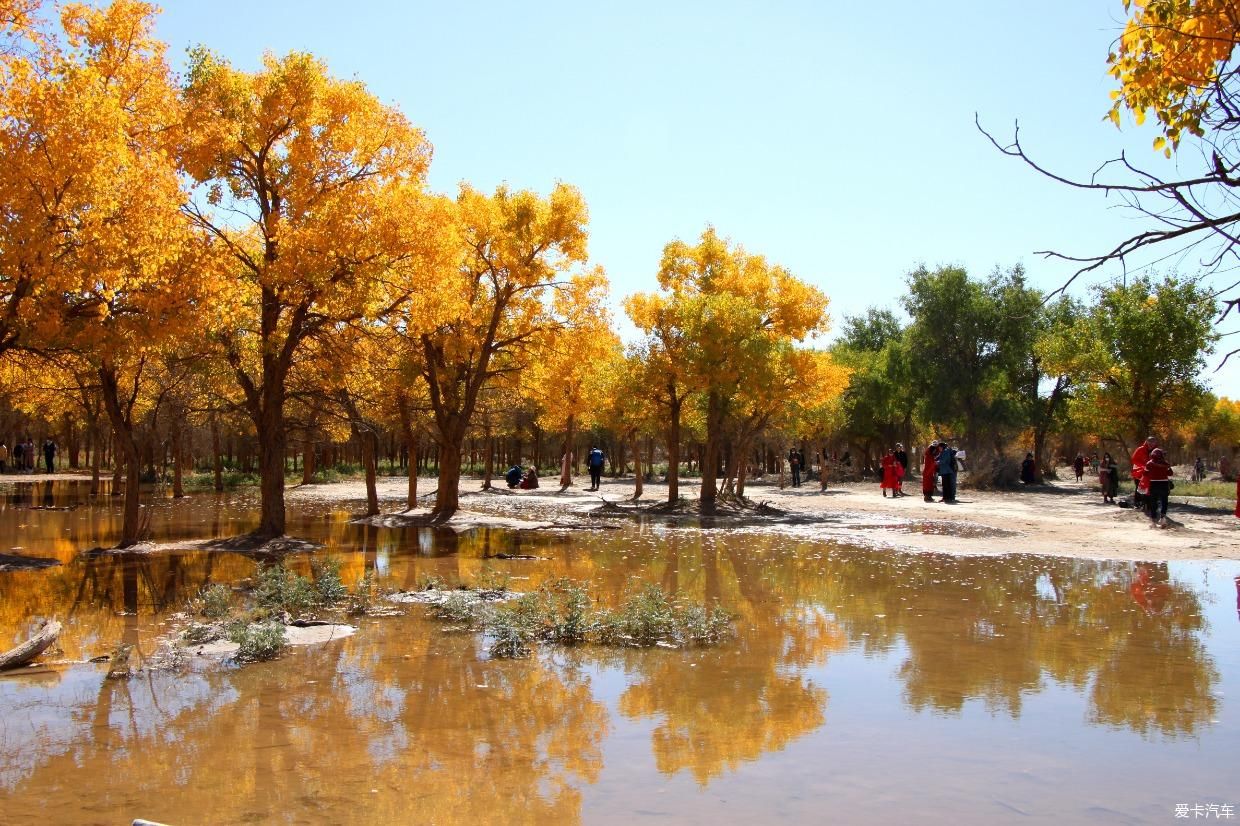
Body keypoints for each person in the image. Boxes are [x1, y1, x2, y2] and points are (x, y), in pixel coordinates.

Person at [1143, 447, 1173, 527]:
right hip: (1164, 484)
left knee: (1153, 502)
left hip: (1153, 484)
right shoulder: (1166, 463)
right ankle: (1162, 519)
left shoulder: (1149, 463)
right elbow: (1170, 473)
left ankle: (1153, 522)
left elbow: (1145, 474)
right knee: (1164, 502)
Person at [1130, 435, 1157, 508]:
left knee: (1149, 488)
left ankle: (1147, 503)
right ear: (1147, 442)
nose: (1151, 444)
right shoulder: (1140, 449)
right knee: (1138, 487)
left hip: (1150, 473)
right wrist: (1144, 466)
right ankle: (1137, 502)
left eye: (1153, 443)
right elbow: (1134, 460)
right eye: (1150, 442)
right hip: (1139, 472)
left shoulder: (1156, 450)